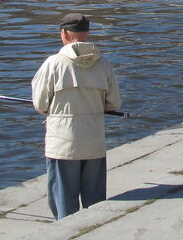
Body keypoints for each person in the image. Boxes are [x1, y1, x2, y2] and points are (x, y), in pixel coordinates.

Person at [32, 14, 121, 221]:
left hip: (62, 145)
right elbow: (114, 103)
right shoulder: (104, 64)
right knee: (96, 206)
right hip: (94, 143)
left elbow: (40, 104)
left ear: (63, 33)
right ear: (87, 33)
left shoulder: (53, 63)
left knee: (64, 203)